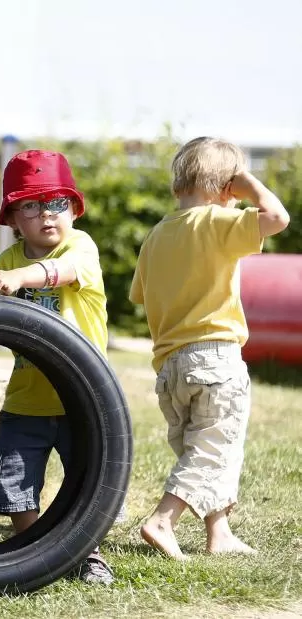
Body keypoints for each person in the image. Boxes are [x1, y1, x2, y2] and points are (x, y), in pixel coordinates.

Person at [129, 137, 290, 560]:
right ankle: (163, 520)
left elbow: (141, 297)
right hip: (215, 357)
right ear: (227, 189)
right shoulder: (216, 223)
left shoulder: (156, 236)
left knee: (197, 449)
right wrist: (249, 184)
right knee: (215, 446)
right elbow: (277, 217)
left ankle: (219, 534)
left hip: (169, 367)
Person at [0, 150, 115, 585]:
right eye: (31, 205)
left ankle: (85, 553)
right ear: (14, 217)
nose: (46, 215)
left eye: (56, 202)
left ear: (73, 209)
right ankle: (37, 550)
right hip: (27, 399)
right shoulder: (5, 264)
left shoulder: (81, 247)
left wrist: (22, 279)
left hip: (85, 398)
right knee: (12, 483)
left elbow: (67, 271)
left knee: (91, 483)